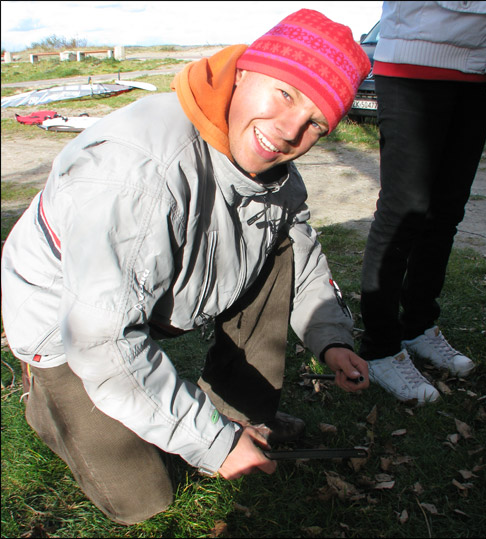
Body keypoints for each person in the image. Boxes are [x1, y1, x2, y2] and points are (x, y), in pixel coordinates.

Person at [1, 9, 371, 525]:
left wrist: (330, 338)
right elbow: (101, 339)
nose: (289, 131)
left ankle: (243, 415)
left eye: (315, 122)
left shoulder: (278, 172)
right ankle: (49, 398)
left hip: (155, 294)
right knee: (143, 502)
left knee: (281, 244)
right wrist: (211, 444)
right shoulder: (134, 173)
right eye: (285, 93)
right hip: (66, 321)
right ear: (245, 71)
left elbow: (302, 250)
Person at [360, 1, 486, 404]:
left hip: (482, 72)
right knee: (404, 212)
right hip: (416, 61)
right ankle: (381, 347)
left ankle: (418, 325)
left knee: (446, 211)